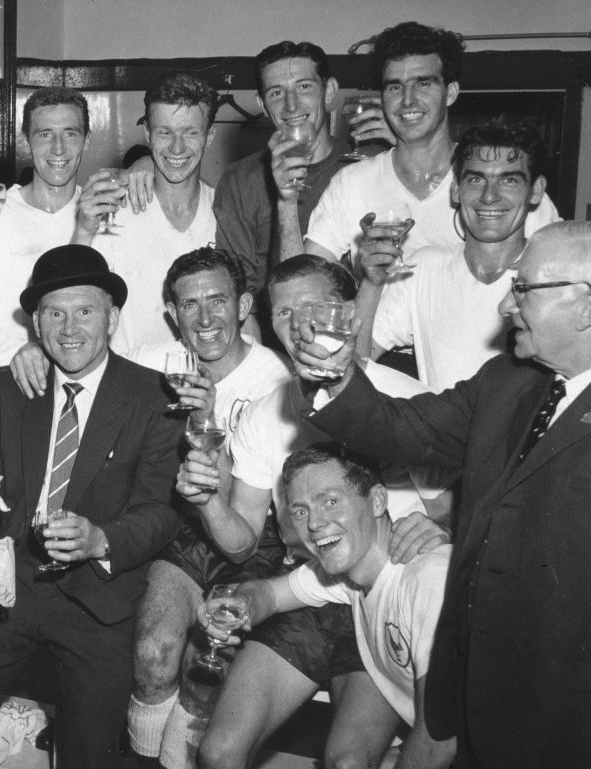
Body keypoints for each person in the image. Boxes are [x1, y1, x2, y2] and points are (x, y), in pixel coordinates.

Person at [296, 221, 591, 768]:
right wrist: (335, 376)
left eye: (523, 288)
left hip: (568, 707)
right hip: (474, 685)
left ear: (585, 305)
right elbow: (401, 427)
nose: (506, 305)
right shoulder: (507, 382)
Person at [0, 244, 184, 769]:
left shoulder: (153, 397)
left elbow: (161, 509)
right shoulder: (9, 391)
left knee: (89, 747)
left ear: (114, 317)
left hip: (97, 598)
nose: (70, 327)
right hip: (5, 585)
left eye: (85, 311)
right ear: (35, 322)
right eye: (55, 313)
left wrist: (101, 538)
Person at [178, 254, 451, 769]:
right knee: (218, 753)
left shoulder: (406, 400)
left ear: (348, 312)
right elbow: (240, 540)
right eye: (283, 314)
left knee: (347, 760)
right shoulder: (265, 413)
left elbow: (457, 515)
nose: (300, 325)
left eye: (313, 308)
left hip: (390, 595)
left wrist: (437, 528)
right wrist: (208, 499)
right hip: (312, 589)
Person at [124, 247, 289, 768]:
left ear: (243, 306)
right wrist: (31, 351)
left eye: (217, 301)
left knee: (203, 674)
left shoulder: (276, 381)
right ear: (173, 314)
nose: (204, 318)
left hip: (253, 540)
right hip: (180, 532)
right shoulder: (156, 364)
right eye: (189, 305)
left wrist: (208, 418)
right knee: (153, 654)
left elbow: (250, 518)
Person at [200, 443, 455, 769]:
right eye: (300, 511)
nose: (315, 523)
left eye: (331, 502)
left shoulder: (426, 578)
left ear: (378, 500)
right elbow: (271, 594)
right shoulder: (353, 577)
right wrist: (234, 604)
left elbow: (438, 740)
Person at [306, 21, 558, 269]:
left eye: (423, 83)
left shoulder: (500, 182)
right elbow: (310, 278)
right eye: (395, 86)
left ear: (450, 93)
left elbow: (562, 266)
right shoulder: (352, 183)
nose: (407, 100)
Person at [357, 117, 548, 393]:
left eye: (508, 180)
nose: (489, 197)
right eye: (475, 179)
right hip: (442, 433)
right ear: (456, 189)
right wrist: (372, 283)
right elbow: (359, 363)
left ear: (536, 190)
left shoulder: (556, 277)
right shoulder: (423, 267)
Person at [213, 41, 390, 308]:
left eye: (304, 87)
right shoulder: (240, 179)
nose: (291, 104)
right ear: (262, 104)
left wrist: (407, 146)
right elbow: (239, 289)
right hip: (276, 338)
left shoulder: (370, 165)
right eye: (276, 93)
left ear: (329, 91)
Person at [75, 72, 218, 352]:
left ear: (209, 136)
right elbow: (77, 295)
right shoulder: (115, 208)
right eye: (165, 132)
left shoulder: (224, 210)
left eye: (190, 132)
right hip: (129, 385)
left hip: (204, 385)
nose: (177, 147)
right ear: (148, 134)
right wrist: (83, 228)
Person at [0, 86, 90, 367]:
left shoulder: (100, 213)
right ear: (27, 140)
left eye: (70, 134)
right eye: (45, 134)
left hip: (81, 374)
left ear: (86, 140)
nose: (58, 148)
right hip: (6, 372)